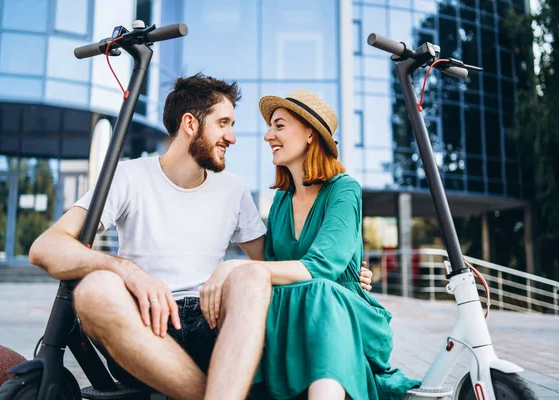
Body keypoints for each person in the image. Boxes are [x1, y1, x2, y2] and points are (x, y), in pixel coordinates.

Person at [29, 74, 373, 400]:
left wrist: (344, 270)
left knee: (250, 278)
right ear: (190, 124)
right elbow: (46, 247)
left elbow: (269, 265)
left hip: (213, 327)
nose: (233, 137)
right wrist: (127, 271)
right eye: (224, 124)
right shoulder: (128, 176)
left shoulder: (234, 190)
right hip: (143, 326)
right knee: (93, 290)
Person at [201, 89, 420, 399]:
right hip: (291, 311)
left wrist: (234, 266)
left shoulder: (344, 190)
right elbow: (274, 267)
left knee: (323, 292)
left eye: (279, 126)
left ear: (309, 134)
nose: (268, 136)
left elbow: (322, 267)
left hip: (341, 313)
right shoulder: (281, 199)